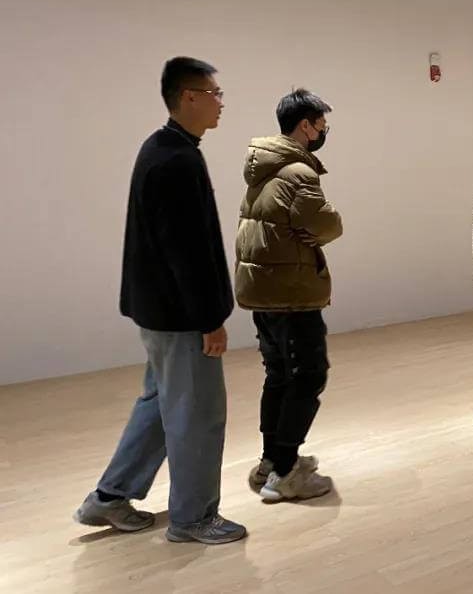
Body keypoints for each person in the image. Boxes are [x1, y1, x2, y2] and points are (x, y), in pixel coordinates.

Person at [74, 57, 246, 544]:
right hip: (180, 317)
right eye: (214, 93)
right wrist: (209, 319)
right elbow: (185, 253)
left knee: (159, 406)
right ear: (189, 97)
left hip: (158, 312)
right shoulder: (176, 160)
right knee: (197, 415)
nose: (221, 103)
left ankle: (109, 497)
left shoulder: (163, 147)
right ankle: (193, 518)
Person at [235, 89, 342, 500]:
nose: (324, 131)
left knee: (279, 374)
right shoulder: (298, 172)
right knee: (309, 375)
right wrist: (329, 224)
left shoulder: (262, 169)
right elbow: (325, 224)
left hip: (263, 290)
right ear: (305, 126)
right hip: (291, 291)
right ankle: (285, 473)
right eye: (322, 124)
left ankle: (272, 459)